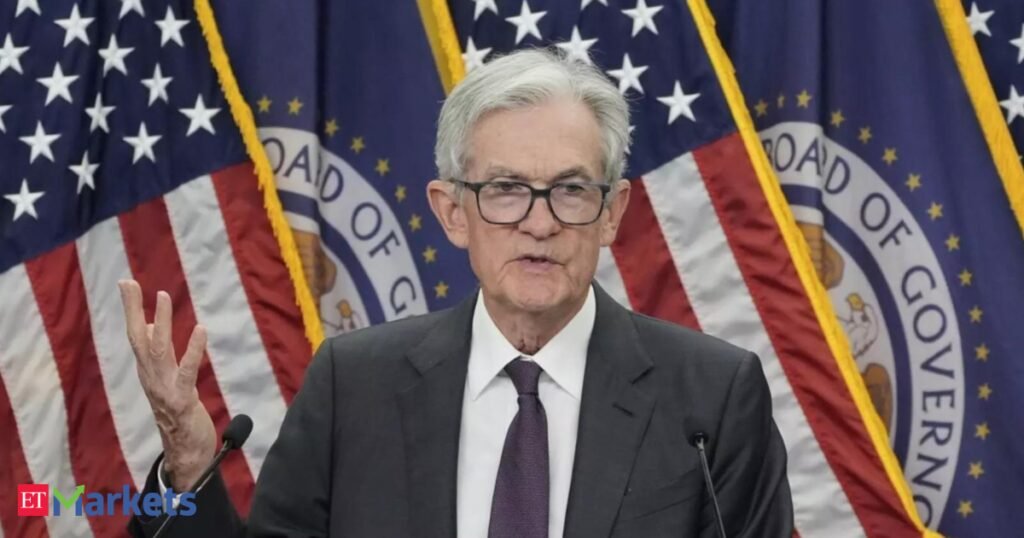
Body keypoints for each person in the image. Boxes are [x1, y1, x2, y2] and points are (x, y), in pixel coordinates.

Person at [123, 48, 792, 537]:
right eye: (505, 189)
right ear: (451, 213)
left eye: (570, 189)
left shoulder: (712, 398)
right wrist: (190, 464)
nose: (539, 222)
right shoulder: (353, 386)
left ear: (612, 212)